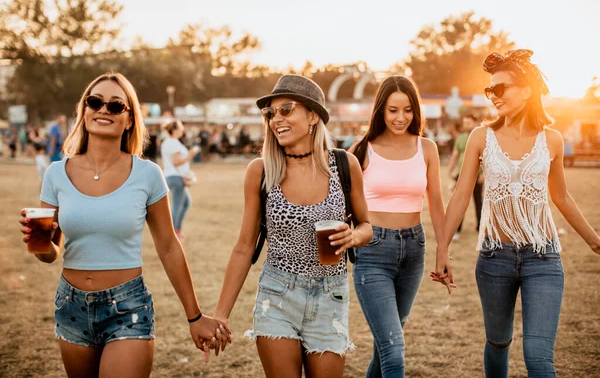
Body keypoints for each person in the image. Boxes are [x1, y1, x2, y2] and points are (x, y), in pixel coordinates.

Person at [18, 72, 230, 378]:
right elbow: (50, 252)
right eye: (95, 102)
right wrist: (36, 242)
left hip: (128, 308)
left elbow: (169, 246)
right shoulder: (55, 173)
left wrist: (194, 316)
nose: (103, 109)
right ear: (85, 111)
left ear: (129, 119)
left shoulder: (147, 174)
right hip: (71, 305)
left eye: (116, 106)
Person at [433, 49, 600, 377]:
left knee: (538, 358)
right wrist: (443, 247)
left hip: (544, 258)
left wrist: (595, 242)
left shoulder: (551, 140)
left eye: (501, 88)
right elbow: (461, 194)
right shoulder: (481, 137)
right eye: (489, 90)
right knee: (498, 344)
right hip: (494, 258)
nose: (493, 96)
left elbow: (562, 197)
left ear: (527, 90)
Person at [213, 75, 373, 378]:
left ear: (313, 116)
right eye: (270, 113)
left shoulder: (344, 164)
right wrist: (221, 314)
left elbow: (367, 226)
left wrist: (353, 236)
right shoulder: (260, 171)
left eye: (286, 110)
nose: (276, 120)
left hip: (331, 294)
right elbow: (245, 246)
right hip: (278, 293)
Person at [349, 76, 446, 377]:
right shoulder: (362, 149)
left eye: (407, 110)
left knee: (388, 344)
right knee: (393, 348)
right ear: (380, 110)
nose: (400, 117)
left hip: (414, 249)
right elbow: (344, 206)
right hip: (372, 251)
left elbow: (437, 203)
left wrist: (443, 251)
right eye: (392, 110)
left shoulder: (426, 148)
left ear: (416, 111)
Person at [447, 113, 484, 240]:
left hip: (477, 175)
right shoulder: (461, 138)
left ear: (474, 123)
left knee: (478, 201)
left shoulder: (480, 137)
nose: (466, 125)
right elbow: (455, 154)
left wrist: (483, 174)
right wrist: (450, 171)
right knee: (459, 202)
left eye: (469, 122)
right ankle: (457, 229)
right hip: (461, 174)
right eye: (465, 122)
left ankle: (480, 227)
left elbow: (486, 157)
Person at [160, 120, 199, 240]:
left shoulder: (167, 142)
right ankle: (173, 233)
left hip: (170, 176)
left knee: (186, 203)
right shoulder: (174, 143)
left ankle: (176, 230)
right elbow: (176, 162)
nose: (183, 130)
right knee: (177, 206)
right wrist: (190, 155)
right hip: (176, 177)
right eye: (181, 127)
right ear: (175, 130)